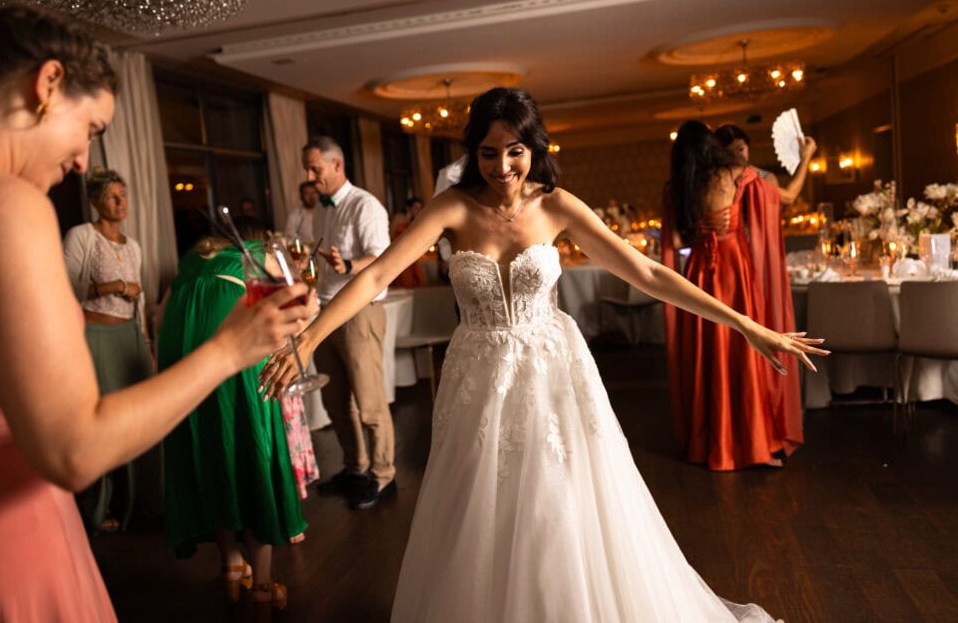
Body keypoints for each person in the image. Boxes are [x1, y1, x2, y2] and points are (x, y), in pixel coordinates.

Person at [262, 88, 826, 621]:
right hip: (477, 377)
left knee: (561, 502)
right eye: (488, 153)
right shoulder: (451, 208)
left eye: (515, 151)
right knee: (479, 508)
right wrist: (307, 338)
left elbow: (649, 273)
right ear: (473, 153)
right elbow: (376, 275)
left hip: (553, 374)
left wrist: (746, 325)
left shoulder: (555, 206)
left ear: (533, 147)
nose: (502, 166)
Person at [0, 5, 316, 621]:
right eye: (91, 128)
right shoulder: (3, 205)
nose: (83, 161)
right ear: (48, 83)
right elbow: (74, 449)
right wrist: (229, 350)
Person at [156, 218, 312, 609]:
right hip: (234, 349)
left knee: (211, 450)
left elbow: (158, 319)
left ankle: (230, 564)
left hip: (181, 353)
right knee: (250, 449)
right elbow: (298, 306)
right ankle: (262, 585)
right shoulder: (260, 252)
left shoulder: (195, 258)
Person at [662, 120, 814, 471]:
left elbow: (675, 242)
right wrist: (806, 156)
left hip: (699, 272)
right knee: (744, 349)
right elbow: (788, 196)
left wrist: (699, 228)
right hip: (736, 271)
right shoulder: (737, 175)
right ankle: (753, 443)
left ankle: (709, 443)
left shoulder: (676, 187)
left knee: (708, 354)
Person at [301, 135, 396, 509]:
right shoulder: (321, 210)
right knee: (335, 401)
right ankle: (356, 468)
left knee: (369, 401)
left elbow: (382, 259)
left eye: (315, 169)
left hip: (360, 312)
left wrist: (348, 265)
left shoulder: (365, 206)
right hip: (326, 311)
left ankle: (384, 475)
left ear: (337, 165)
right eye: (308, 170)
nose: (310, 178)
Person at [63, 167, 154, 533]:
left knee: (139, 419)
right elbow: (64, 286)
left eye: (123, 194)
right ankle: (100, 507)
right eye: (112, 197)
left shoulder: (133, 246)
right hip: (96, 337)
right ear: (94, 202)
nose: (120, 202)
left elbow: (140, 301)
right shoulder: (82, 235)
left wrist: (145, 343)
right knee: (104, 422)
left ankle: (140, 502)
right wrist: (114, 286)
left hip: (129, 337)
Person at [714, 123, 817, 205]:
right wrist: (805, 158)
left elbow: (788, 197)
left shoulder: (762, 175)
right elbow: (789, 197)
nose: (737, 156)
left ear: (747, 146)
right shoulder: (717, 178)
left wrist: (805, 158)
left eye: (741, 149)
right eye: (729, 153)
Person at [390, 197, 427, 288]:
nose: (418, 210)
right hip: (397, 254)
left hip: (411, 255)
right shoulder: (399, 218)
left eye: (420, 208)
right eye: (416, 207)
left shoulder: (417, 222)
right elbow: (390, 236)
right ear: (408, 208)